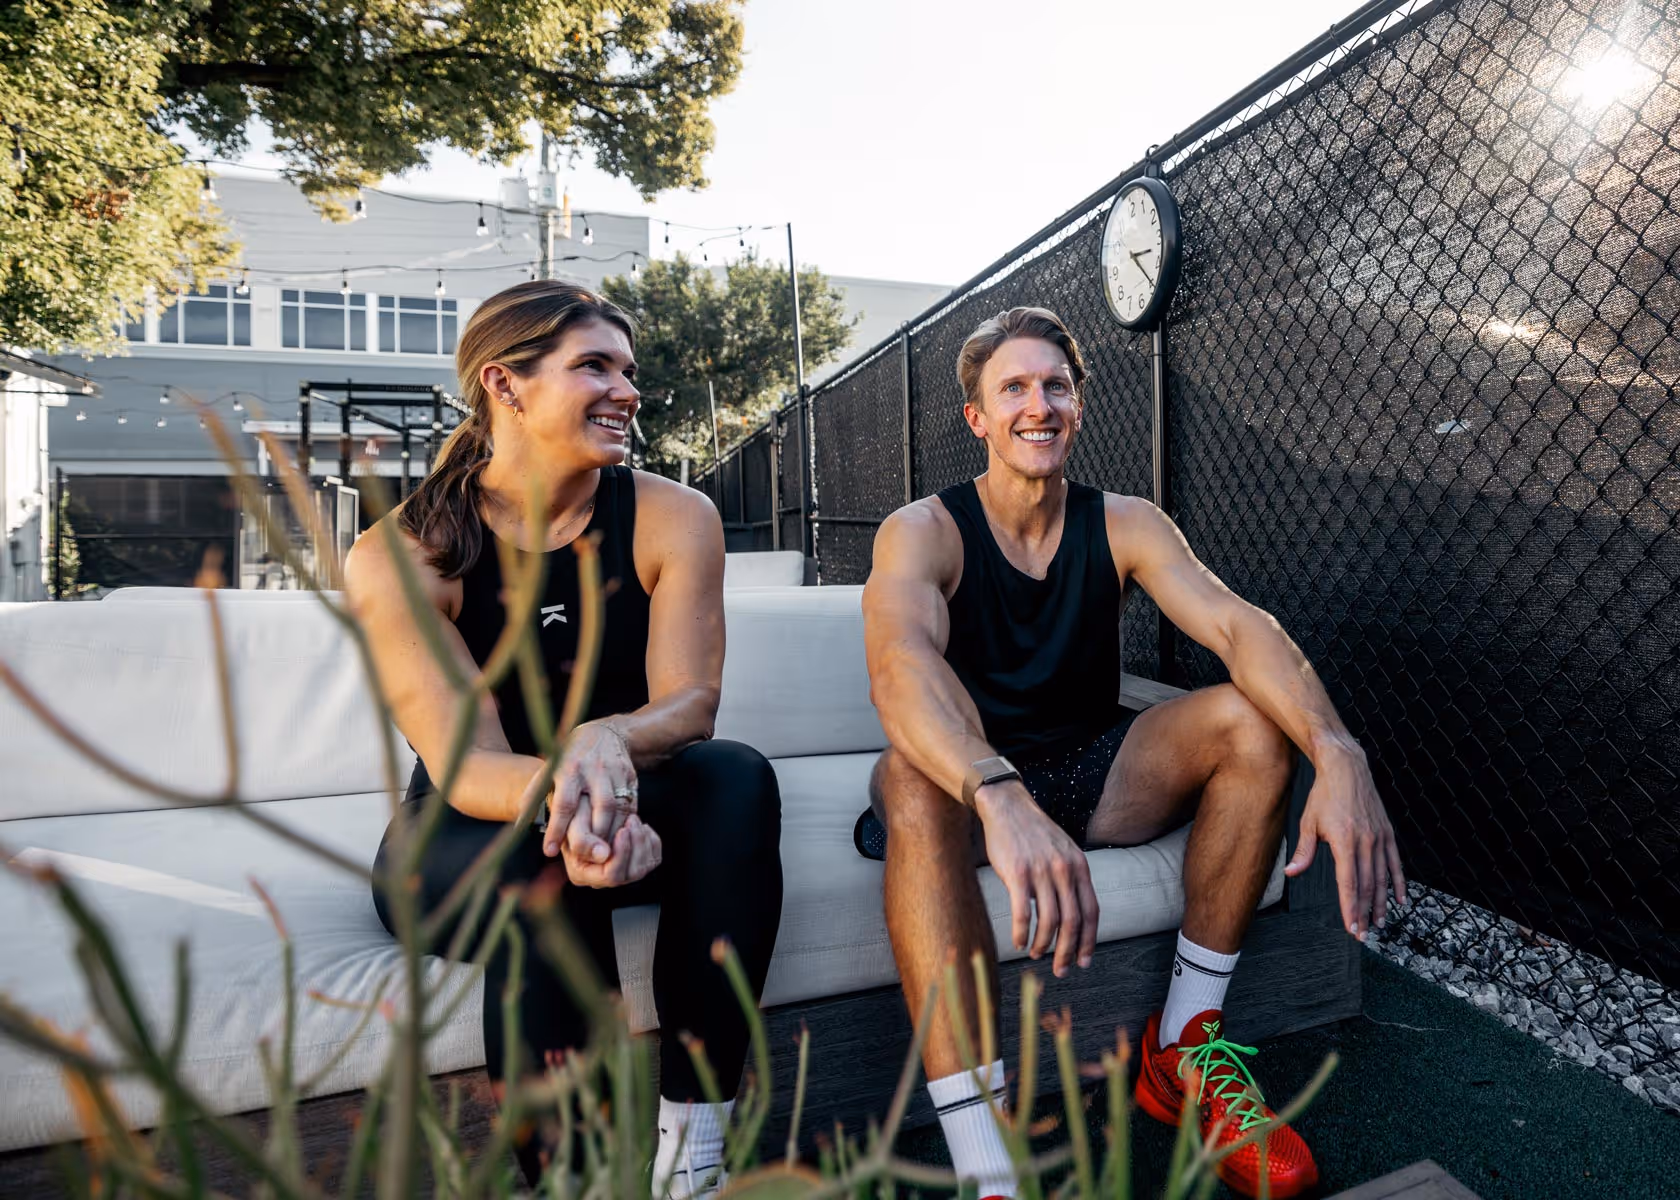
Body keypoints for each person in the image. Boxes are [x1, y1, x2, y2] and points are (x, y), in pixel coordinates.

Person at [859, 306, 1406, 1200]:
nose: (1039, 405)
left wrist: (1339, 750)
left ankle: (1184, 1048)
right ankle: (989, 1167)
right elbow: (900, 667)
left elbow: (1237, 625)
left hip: (1089, 773)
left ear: (1077, 405)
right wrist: (998, 794)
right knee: (909, 775)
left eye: (1056, 386)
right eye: (1015, 389)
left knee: (1251, 723)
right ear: (979, 419)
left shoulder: (1124, 522)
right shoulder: (923, 529)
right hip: (969, 791)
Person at [345, 281, 783, 1198]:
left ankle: (691, 1156)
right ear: (504, 385)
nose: (627, 390)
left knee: (737, 778)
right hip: (467, 827)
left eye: (629, 370)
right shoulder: (407, 550)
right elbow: (469, 765)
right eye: (595, 367)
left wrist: (602, 743)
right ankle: (567, 1181)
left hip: (630, 790)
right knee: (550, 871)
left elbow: (691, 703)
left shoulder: (672, 516)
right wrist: (573, 800)